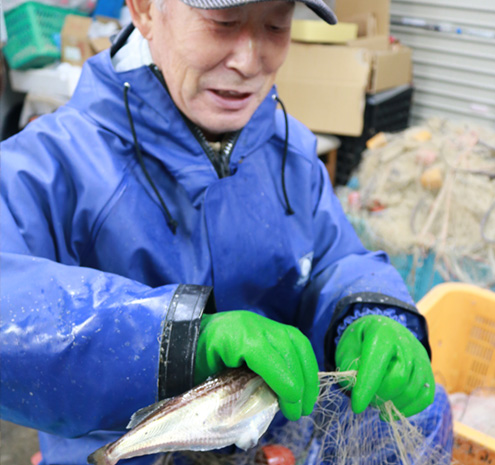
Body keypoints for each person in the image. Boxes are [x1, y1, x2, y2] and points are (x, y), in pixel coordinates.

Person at [0, 0, 452, 464]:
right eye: (223, 24)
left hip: (264, 421)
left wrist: (365, 311)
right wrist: (178, 339)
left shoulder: (289, 150)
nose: (249, 60)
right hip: (130, 444)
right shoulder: (54, 161)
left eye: (276, 26)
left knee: (420, 411)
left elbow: (332, 257)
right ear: (145, 11)